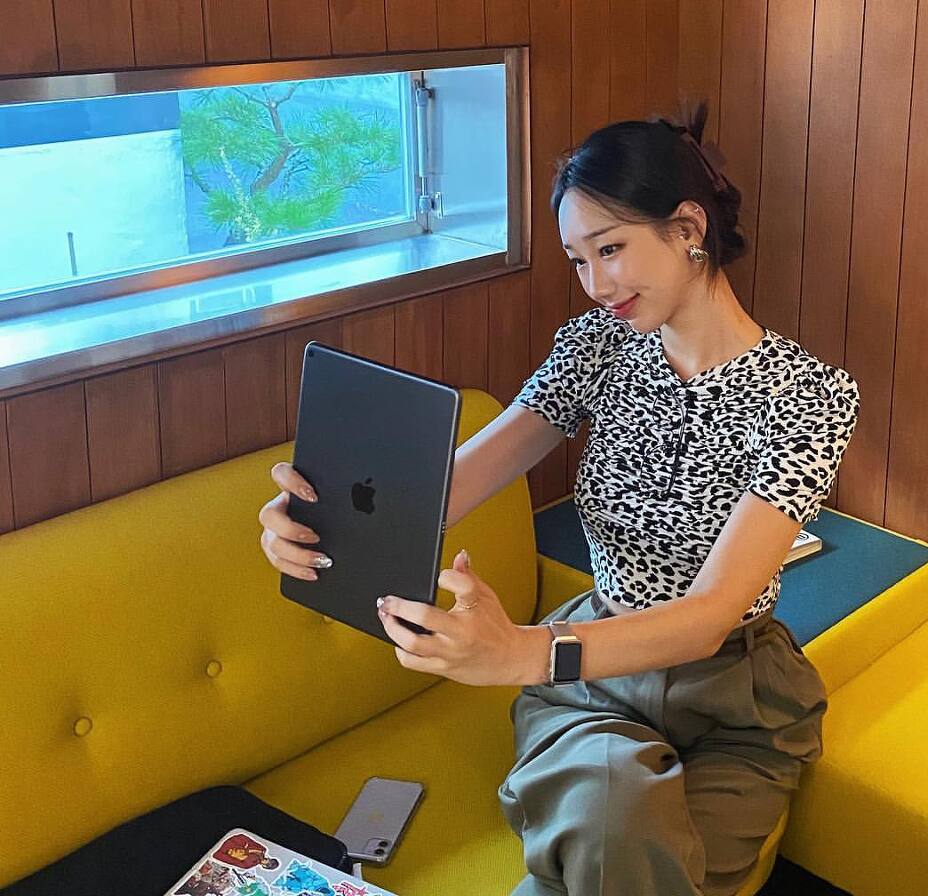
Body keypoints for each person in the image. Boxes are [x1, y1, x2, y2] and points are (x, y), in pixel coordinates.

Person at [258, 98, 861, 895]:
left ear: (689, 228)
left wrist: (522, 652)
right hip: (594, 683)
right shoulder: (598, 348)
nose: (595, 285)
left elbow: (710, 613)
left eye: (610, 249)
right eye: (579, 260)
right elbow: (452, 484)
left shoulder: (809, 397)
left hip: (734, 699)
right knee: (617, 829)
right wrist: (315, 520)